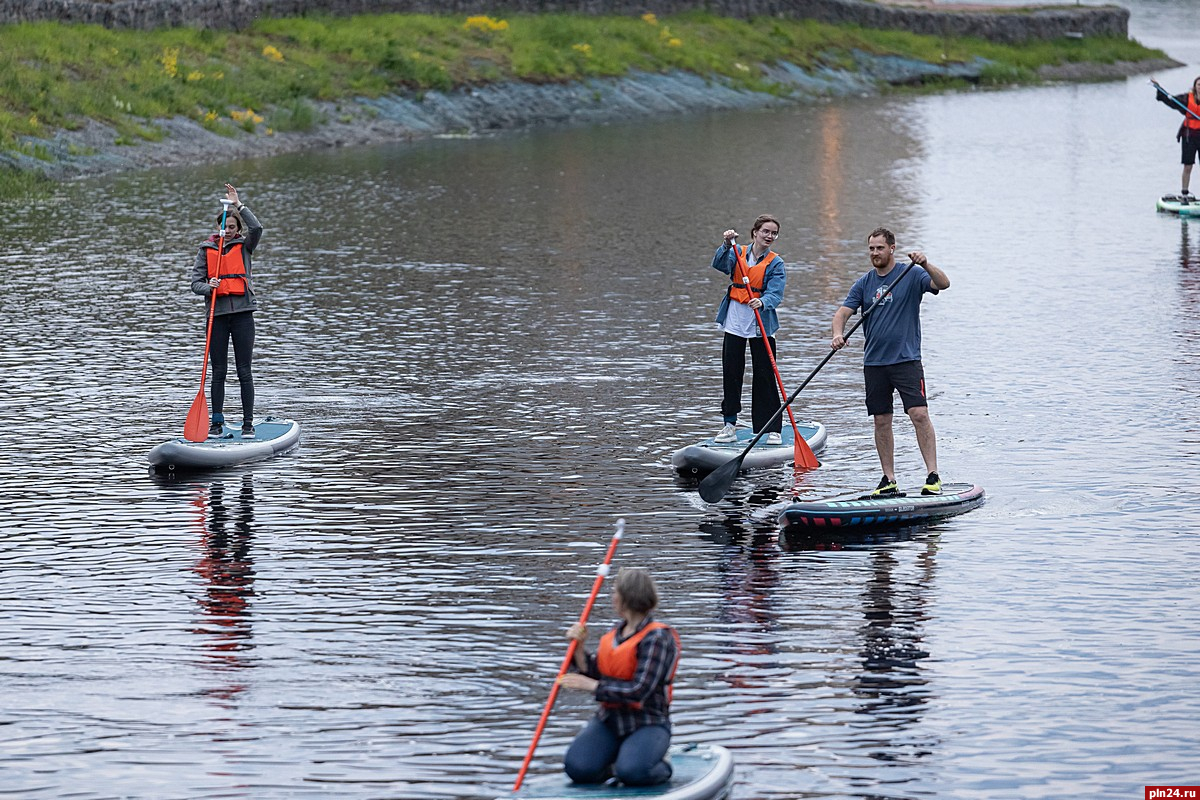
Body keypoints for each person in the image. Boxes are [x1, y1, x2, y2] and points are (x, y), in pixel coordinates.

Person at [831, 227, 950, 496]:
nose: (875, 253)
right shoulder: (864, 283)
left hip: (906, 360)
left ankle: (932, 476)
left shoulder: (911, 274)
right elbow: (842, 314)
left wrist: (926, 263)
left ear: (891, 249)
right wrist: (838, 334)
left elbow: (943, 284)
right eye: (871, 248)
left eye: (879, 248)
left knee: (919, 415)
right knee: (881, 420)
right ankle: (889, 479)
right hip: (874, 363)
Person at [558, 567, 680, 788]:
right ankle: (618, 760)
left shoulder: (658, 639)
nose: (612, 597)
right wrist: (578, 648)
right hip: (610, 720)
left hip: (648, 722)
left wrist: (593, 686)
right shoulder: (614, 634)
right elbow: (596, 672)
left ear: (627, 598)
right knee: (577, 768)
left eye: (615, 592)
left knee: (634, 773)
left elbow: (640, 689)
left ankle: (658, 764)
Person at [189, 183, 263, 439]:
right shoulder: (206, 250)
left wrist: (238, 205)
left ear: (237, 229)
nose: (228, 231)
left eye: (232, 227)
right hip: (216, 317)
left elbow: (257, 228)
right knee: (218, 371)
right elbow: (194, 284)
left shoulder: (245, 246)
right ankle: (216, 424)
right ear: (218, 227)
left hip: (243, 315)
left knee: (244, 370)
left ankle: (248, 424)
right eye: (224, 227)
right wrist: (209, 287)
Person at [710, 214, 787, 445]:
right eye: (765, 231)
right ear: (755, 232)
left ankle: (771, 428)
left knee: (765, 375)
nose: (769, 236)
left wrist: (763, 302)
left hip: (760, 324)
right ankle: (729, 424)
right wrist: (725, 245)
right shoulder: (737, 252)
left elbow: (776, 292)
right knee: (732, 373)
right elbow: (719, 264)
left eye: (773, 233)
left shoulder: (776, 263)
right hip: (735, 321)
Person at [1154, 76, 1200, 202]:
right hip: (1189, 137)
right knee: (1188, 166)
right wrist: (1160, 90)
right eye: (1199, 85)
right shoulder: (1186, 99)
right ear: (1195, 87)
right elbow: (1172, 101)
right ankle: (1185, 194)